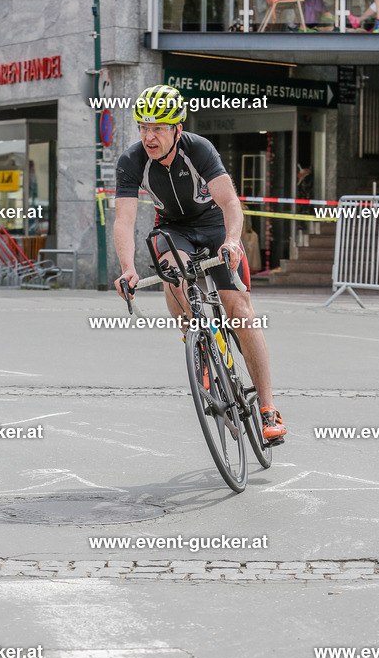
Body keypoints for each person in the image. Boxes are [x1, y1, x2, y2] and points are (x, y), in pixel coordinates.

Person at [113, 84, 287, 444]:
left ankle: (268, 408)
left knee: (239, 309)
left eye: (158, 127)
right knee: (171, 272)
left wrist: (232, 241)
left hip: (213, 226)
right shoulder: (131, 162)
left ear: (177, 128)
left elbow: (230, 204)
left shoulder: (199, 149)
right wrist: (127, 268)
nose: (149, 136)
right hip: (173, 229)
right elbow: (124, 221)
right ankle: (198, 346)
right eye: (144, 127)